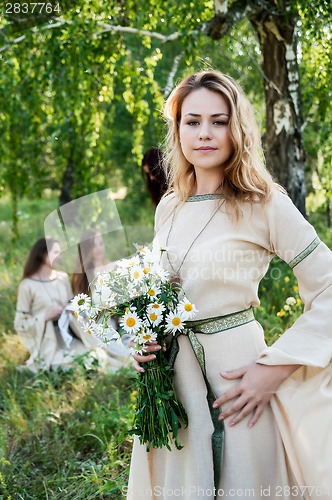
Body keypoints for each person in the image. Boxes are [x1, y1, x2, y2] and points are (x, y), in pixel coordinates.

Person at [127, 70, 332, 499]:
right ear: (177, 128)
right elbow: (162, 297)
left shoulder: (264, 202)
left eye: (219, 121)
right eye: (192, 121)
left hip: (239, 385)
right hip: (175, 387)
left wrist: (273, 370)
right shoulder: (169, 207)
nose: (205, 133)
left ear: (236, 128)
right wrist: (145, 342)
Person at [14, 237, 87, 372]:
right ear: (42, 254)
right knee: (66, 365)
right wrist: (44, 317)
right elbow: (19, 324)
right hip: (47, 341)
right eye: (55, 253)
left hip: (67, 336)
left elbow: (72, 302)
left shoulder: (62, 277)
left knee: (89, 356)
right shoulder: (27, 285)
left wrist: (71, 309)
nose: (59, 257)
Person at [71, 229, 132, 368]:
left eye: (100, 243)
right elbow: (79, 300)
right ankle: (110, 354)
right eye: (93, 245)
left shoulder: (114, 267)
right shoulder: (84, 274)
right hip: (97, 321)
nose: (98, 248)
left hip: (118, 317)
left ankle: (122, 353)